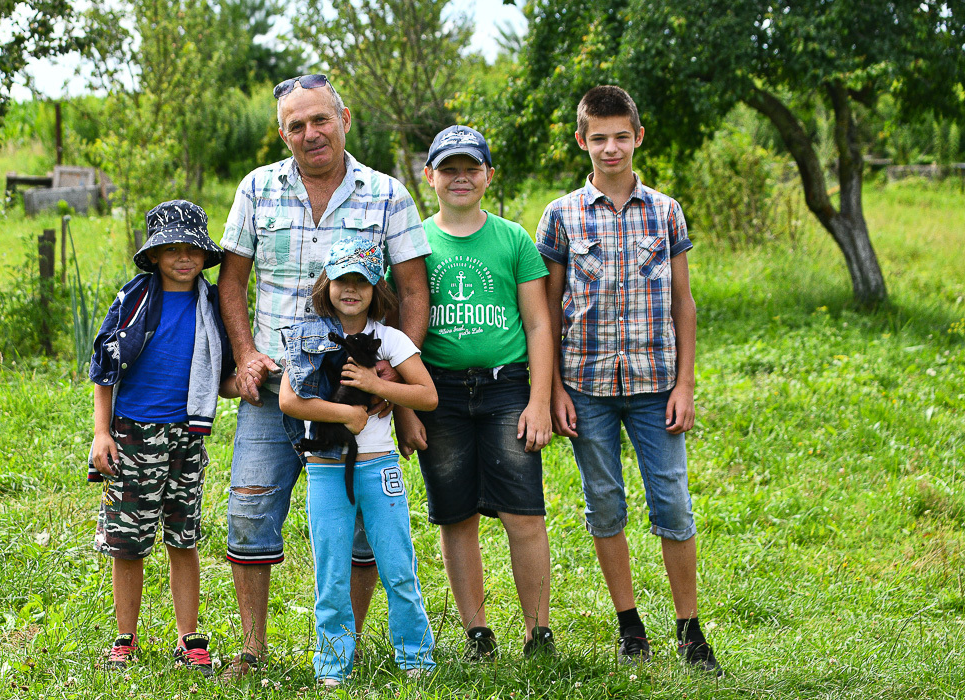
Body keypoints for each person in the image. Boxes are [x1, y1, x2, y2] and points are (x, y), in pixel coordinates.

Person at [217, 74, 431, 676]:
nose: (310, 134)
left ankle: (348, 642)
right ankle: (252, 649)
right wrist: (245, 352)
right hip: (274, 386)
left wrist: (393, 368)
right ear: (282, 133)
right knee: (251, 507)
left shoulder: (387, 194)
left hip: (355, 387)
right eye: (295, 125)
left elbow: (414, 290)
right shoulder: (257, 189)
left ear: (343, 118)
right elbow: (232, 282)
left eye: (320, 120)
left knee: (361, 517)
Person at [535, 85, 722, 676]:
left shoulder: (665, 211)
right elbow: (547, 308)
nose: (610, 148)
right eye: (598, 138)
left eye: (621, 136)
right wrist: (556, 389)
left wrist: (686, 385)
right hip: (586, 387)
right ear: (581, 141)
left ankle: (689, 629)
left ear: (637, 137)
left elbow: (684, 303)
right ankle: (630, 625)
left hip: (655, 386)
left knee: (672, 502)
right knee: (605, 505)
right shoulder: (561, 215)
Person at [402, 125, 557, 660]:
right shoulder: (415, 241)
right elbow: (400, 332)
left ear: (489, 175)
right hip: (438, 394)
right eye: (449, 169)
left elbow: (539, 324)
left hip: (507, 389)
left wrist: (539, 400)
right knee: (454, 512)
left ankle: (537, 630)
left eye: (471, 168)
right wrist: (405, 407)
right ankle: (477, 631)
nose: (460, 178)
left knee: (523, 513)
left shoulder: (512, 238)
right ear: (430, 177)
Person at [87, 200, 239, 676]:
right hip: (132, 434)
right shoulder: (132, 300)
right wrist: (101, 432)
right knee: (128, 542)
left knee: (183, 536)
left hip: (186, 434)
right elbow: (104, 367)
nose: (183, 258)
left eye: (191, 248)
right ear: (153, 255)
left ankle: (188, 636)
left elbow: (226, 372)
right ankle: (124, 638)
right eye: (170, 249)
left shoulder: (211, 304)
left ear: (204, 254)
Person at [278, 236, 438, 685]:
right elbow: (290, 401)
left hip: (380, 465)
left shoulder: (389, 339)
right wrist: (347, 412)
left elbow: (426, 395)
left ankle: (416, 658)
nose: (351, 290)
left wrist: (376, 384)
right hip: (326, 470)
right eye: (342, 280)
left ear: (376, 289)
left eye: (361, 283)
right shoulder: (310, 335)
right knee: (331, 573)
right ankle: (332, 665)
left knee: (398, 567)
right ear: (326, 283)